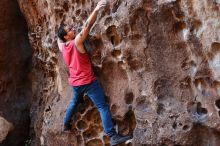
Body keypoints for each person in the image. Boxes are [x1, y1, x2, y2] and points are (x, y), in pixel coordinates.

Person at [57, 0, 133, 145]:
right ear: (67, 36)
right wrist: (97, 9)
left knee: (74, 101)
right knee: (102, 107)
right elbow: (87, 25)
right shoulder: (77, 42)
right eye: (70, 30)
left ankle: (66, 124)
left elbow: (58, 40)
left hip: (75, 83)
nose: (73, 29)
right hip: (89, 82)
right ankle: (112, 136)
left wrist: (59, 34)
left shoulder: (63, 47)